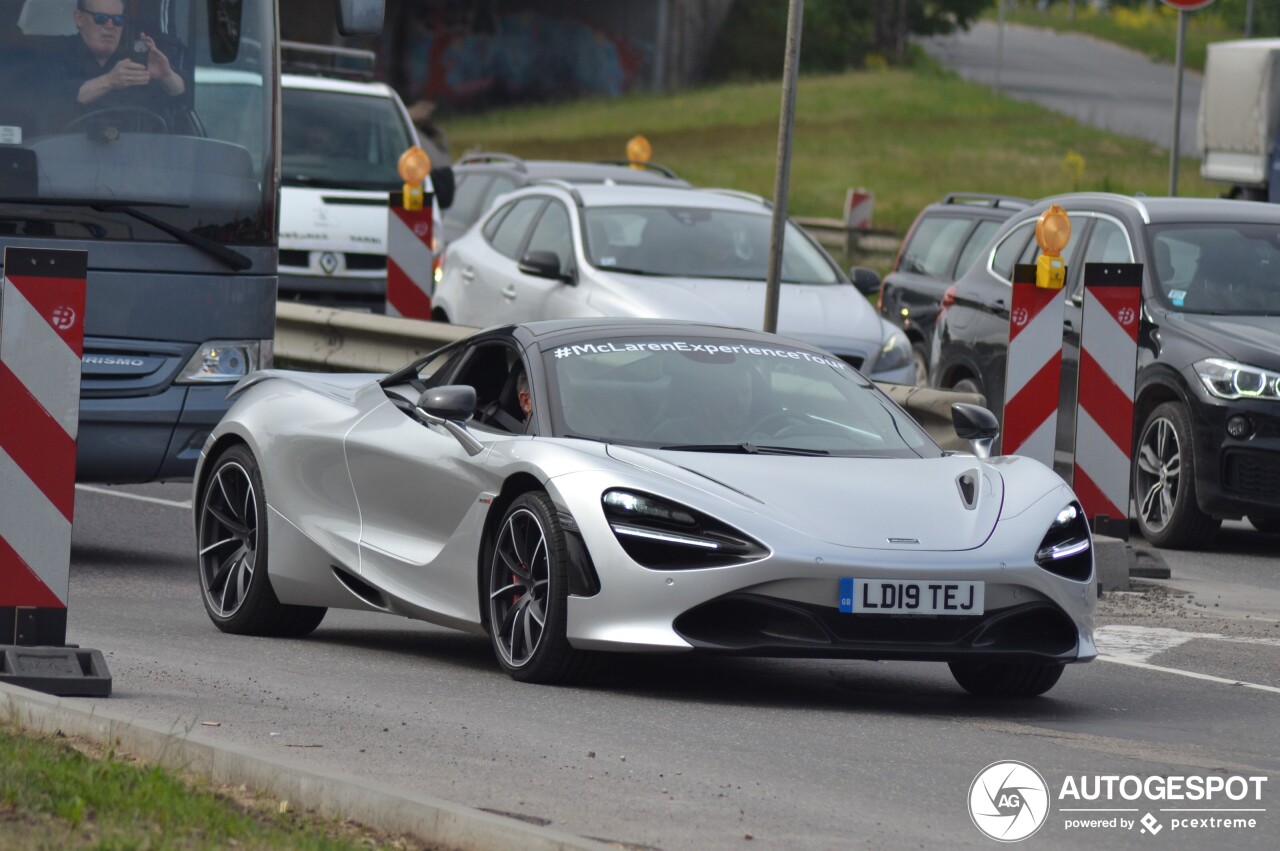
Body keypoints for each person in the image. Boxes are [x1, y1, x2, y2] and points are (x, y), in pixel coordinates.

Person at [59, 0, 185, 121]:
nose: (110, 26)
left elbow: (180, 105)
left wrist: (166, 75)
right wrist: (109, 81)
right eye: (100, 18)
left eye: (118, 20)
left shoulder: (133, 61)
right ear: (79, 19)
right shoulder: (55, 52)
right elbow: (50, 100)